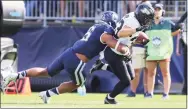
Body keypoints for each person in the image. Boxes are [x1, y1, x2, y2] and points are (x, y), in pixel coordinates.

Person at [2, 11, 131, 104]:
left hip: (69, 53)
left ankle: (14, 76)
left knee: (46, 72)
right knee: (78, 83)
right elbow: (115, 45)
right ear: (112, 21)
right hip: (77, 60)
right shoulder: (106, 31)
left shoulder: (96, 27)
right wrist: (126, 50)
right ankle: (47, 94)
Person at [89, 4, 154, 104]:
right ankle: (109, 98)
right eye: (147, 18)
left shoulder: (135, 18)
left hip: (122, 50)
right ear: (141, 16)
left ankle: (102, 66)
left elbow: (129, 37)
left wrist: (138, 39)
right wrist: (137, 30)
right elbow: (120, 33)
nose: (148, 21)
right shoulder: (133, 22)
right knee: (126, 81)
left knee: (131, 76)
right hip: (114, 51)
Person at [145, 4, 187, 99]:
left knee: (166, 73)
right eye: (155, 9)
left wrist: (180, 29)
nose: (156, 11)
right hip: (151, 53)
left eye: (158, 9)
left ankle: (165, 94)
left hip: (164, 53)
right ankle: (149, 93)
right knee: (151, 73)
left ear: (162, 11)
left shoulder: (168, 23)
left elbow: (174, 31)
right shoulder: (147, 24)